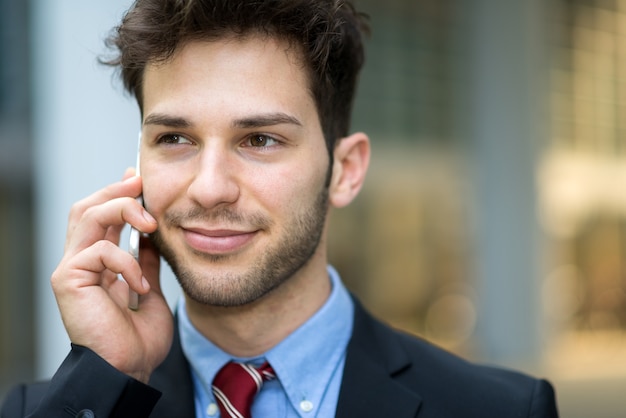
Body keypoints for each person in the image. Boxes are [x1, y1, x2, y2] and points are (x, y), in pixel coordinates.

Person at [1, 0, 559, 417]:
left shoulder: (499, 409)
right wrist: (110, 377)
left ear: (346, 169)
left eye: (260, 139)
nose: (209, 188)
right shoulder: (56, 407)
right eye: (175, 138)